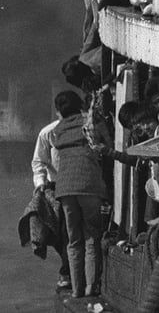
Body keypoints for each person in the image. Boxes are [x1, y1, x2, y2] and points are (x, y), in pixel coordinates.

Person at [51, 91, 105, 298]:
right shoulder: (90, 122)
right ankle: (91, 287)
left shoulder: (57, 131)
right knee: (91, 235)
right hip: (89, 184)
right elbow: (104, 143)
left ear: (59, 111)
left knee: (73, 240)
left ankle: (76, 289)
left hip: (65, 188)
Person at [31, 110, 72, 289]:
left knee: (69, 232)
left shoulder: (84, 129)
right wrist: (40, 183)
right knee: (58, 231)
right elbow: (38, 162)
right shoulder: (48, 132)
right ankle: (68, 270)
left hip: (78, 184)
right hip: (55, 187)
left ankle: (68, 272)